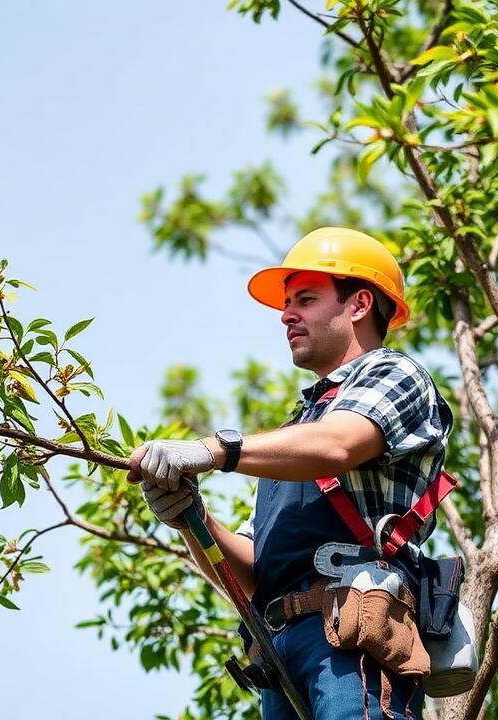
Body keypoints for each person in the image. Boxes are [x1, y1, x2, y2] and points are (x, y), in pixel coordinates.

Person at [128, 227, 454, 720]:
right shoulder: (293, 434)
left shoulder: (395, 375)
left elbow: (338, 445)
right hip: (281, 656)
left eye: (305, 298)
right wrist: (192, 518)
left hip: (351, 636)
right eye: (287, 302)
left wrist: (214, 449)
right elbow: (255, 573)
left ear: (360, 304)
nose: (286, 315)